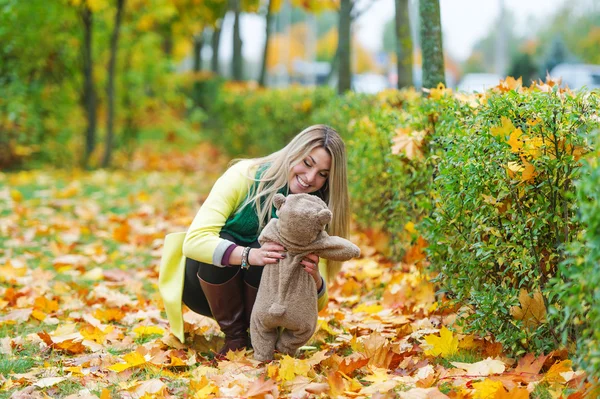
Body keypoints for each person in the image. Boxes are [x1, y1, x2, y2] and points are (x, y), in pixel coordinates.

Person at [158, 124, 350, 355]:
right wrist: (249, 256)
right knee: (224, 239)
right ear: (293, 152)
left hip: (274, 306)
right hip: (205, 290)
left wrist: (316, 280)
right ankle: (235, 337)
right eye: (307, 163)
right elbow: (195, 241)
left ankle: (259, 333)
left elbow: (317, 304)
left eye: (322, 175)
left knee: (276, 251)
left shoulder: (318, 211)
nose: (310, 178)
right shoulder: (246, 175)